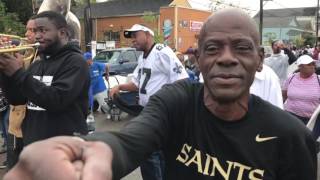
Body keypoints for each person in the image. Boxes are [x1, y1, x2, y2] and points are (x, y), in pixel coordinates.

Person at [4, 9, 317, 180]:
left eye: (241, 48)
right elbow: (128, 141)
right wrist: (93, 153)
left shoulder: (289, 137)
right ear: (201, 59)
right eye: (212, 49)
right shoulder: (176, 102)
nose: (225, 57)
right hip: (151, 117)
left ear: (259, 60)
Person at [110, 24, 188, 180]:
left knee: (151, 155)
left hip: (162, 114)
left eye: (135, 35)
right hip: (146, 112)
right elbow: (137, 84)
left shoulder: (162, 52)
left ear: (147, 35)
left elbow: (181, 79)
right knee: (150, 155)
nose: (133, 40)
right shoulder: (142, 58)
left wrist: (166, 103)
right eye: (131, 37)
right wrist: (119, 86)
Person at [0, 11, 89, 146]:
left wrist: (18, 73)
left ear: (63, 33)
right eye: (35, 31)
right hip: (35, 145)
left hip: (65, 146)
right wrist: (6, 72)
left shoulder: (75, 61)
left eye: (43, 31)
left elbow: (57, 99)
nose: (37, 36)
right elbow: (17, 100)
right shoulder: (38, 63)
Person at [5, 18, 37, 170]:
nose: (26, 33)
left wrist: (16, 71)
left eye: (32, 30)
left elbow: (23, 95)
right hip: (15, 123)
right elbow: (11, 95)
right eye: (27, 29)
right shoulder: (25, 55)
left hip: (30, 125)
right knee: (14, 167)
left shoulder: (40, 60)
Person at [283, 55, 320, 125]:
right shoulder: (291, 78)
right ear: (300, 66)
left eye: (313, 64)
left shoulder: (318, 80)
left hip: (311, 120)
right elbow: (284, 94)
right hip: (290, 117)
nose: (313, 66)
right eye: (309, 64)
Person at [84, 51, 109, 131]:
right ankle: (90, 122)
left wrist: (107, 75)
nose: (84, 61)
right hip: (90, 90)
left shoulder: (97, 65)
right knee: (88, 105)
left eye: (86, 60)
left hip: (100, 89)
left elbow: (107, 66)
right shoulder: (84, 67)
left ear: (90, 59)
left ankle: (110, 112)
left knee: (104, 104)